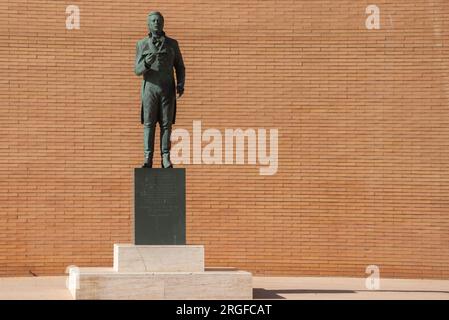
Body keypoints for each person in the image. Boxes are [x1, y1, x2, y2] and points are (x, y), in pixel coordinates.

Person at [134, 11, 185, 168]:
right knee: (149, 124)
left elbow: (180, 66)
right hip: (150, 88)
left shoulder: (172, 44)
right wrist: (146, 64)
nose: (156, 23)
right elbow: (137, 70)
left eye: (159, 20)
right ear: (148, 24)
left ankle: (165, 157)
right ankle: (148, 158)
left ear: (163, 23)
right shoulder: (142, 44)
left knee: (166, 124)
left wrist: (181, 84)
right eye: (153, 20)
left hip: (167, 89)